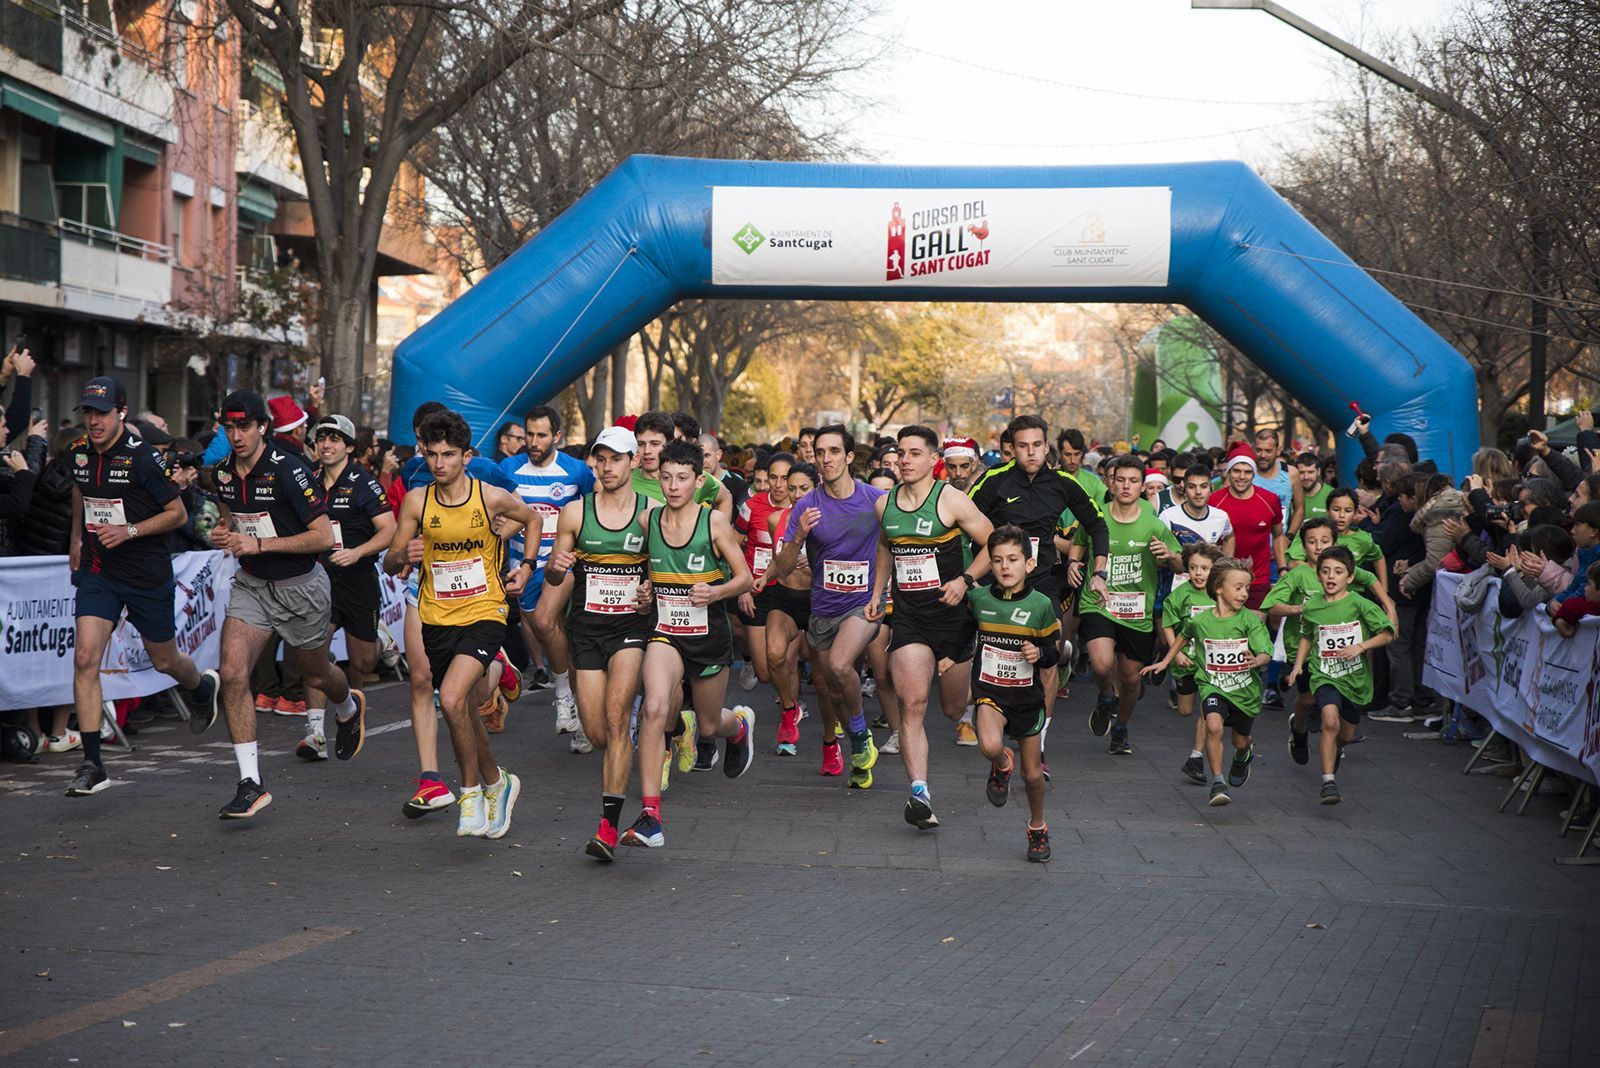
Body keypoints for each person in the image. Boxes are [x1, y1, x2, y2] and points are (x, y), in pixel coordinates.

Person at [62, 378, 221, 797]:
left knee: (164, 660)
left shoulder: (145, 459)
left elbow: (178, 515)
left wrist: (129, 530)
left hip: (146, 573)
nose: (94, 421)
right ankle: (93, 763)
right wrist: (77, 538)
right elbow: (82, 489)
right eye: (89, 413)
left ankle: (202, 687)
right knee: (84, 658)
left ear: (122, 413)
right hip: (99, 571)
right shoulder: (77, 452)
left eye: (103, 413)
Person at [209, 390, 364, 819]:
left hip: (302, 587)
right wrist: (224, 534)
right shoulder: (221, 473)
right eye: (229, 427)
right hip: (253, 585)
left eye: (244, 427)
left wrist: (258, 542)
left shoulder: (289, 471)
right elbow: (229, 520)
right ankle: (250, 782)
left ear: (263, 428)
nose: (236, 435)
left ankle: (348, 705)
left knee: (316, 672)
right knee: (233, 673)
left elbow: (324, 538)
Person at [386, 409, 536, 839]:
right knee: (466, 712)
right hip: (437, 617)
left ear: (466, 455)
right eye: (432, 454)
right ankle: (497, 782)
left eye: (449, 454)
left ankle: (469, 794)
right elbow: (391, 558)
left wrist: (524, 567)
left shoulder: (489, 496)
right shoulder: (418, 501)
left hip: (486, 610)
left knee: (450, 699)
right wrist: (403, 556)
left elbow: (532, 518)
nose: (439, 463)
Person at [621, 440, 754, 850]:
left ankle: (740, 727)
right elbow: (651, 569)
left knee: (710, 723)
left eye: (683, 479)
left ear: (700, 481)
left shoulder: (713, 523)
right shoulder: (648, 520)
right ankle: (650, 816)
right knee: (655, 709)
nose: (673, 486)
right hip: (666, 632)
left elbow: (744, 578)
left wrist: (716, 594)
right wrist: (646, 591)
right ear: (657, 478)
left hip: (709, 635)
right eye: (666, 477)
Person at [870, 425, 994, 830]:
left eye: (914, 453)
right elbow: (886, 546)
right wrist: (878, 592)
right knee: (913, 705)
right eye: (900, 453)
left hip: (953, 618)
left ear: (931, 459)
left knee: (953, 708)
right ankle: (919, 792)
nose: (905, 460)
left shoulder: (951, 500)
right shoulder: (884, 504)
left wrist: (965, 581)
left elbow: (992, 544)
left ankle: (980, 723)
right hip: (909, 617)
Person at [541, 426, 656, 861]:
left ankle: (608, 826)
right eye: (600, 460)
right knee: (596, 732)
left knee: (614, 716)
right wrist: (555, 566)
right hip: (586, 630)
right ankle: (638, 734)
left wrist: (649, 591)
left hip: (630, 628)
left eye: (615, 459)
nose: (607, 468)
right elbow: (556, 575)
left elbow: (664, 571)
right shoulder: (575, 512)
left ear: (632, 462)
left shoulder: (650, 513)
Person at [970, 415, 1110, 763]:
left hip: (1042, 581)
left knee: (1045, 660)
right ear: (1011, 449)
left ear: (1046, 447)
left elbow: (1097, 525)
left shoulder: (1062, 483)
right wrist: (973, 572)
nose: (1030, 453)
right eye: (1022, 446)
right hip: (997, 582)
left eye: (1036, 445)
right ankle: (999, 714)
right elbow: (963, 521)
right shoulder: (993, 481)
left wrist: (1100, 572)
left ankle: (1040, 742)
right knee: (1001, 653)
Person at [768, 424, 886, 789]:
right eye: (820, 453)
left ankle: (861, 735)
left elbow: (891, 547)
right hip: (823, 608)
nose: (826, 459)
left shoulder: (874, 500)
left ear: (849, 456)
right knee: (828, 689)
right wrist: (799, 534)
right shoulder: (807, 504)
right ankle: (855, 753)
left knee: (839, 665)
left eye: (834, 451)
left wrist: (879, 593)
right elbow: (783, 569)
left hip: (862, 606)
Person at [298, 414, 396, 761]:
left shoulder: (363, 482)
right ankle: (314, 732)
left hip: (357, 579)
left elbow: (389, 530)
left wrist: (357, 552)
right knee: (314, 654)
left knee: (363, 661)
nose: (326, 445)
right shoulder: (306, 480)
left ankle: (380, 640)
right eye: (321, 438)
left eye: (335, 439)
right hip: (318, 581)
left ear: (350, 447)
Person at [1264, 519, 1395, 767]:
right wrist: (1298, 608)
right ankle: (1299, 730)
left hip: (1338, 655)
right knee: (1309, 698)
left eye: (1325, 541)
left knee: (1331, 706)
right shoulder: (1299, 574)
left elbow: (1369, 579)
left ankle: (1333, 741)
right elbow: (1272, 606)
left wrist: (1389, 605)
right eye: (1312, 542)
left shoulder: (1340, 568)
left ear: (1335, 543)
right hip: (1304, 648)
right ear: (1303, 547)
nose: (1318, 546)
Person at [1143, 557, 1271, 807]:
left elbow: (1264, 651)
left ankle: (1244, 755)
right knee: (1213, 725)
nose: (1244, 593)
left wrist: (1257, 660)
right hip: (1213, 686)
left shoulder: (1249, 621)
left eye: (1246, 588)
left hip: (1245, 692)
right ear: (1219, 588)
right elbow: (1184, 634)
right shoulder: (1201, 621)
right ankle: (1218, 783)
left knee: (1239, 741)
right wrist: (1165, 661)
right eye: (1238, 587)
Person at [967, 525, 1061, 863]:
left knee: (1033, 775)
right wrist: (949, 657)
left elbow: (1056, 651)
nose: (1005, 567)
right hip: (991, 692)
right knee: (990, 745)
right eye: (997, 560)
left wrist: (1040, 655)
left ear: (1029, 564)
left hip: (1026, 698)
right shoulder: (978, 599)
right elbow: (964, 633)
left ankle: (1038, 827)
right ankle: (1002, 762)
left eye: (1013, 559)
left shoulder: (1041, 605)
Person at [1077, 455, 1181, 754]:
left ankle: (1121, 726)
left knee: (1132, 678)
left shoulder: (1154, 523)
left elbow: (1178, 564)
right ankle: (1105, 696)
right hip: (1098, 600)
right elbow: (1081, 541)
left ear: (1142, 487)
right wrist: (1074, 561)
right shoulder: (1097, 516)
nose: (1126, 486)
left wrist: (1170, 556)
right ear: (1110, 482)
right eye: (1120, 479)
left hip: (1137, 609)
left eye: (1133, 481)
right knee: (1100, 662)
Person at [504, 405, 596, 742]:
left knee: (545, 622)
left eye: (542, 434)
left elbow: (593, 512)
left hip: (561, 563)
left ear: (556, 436)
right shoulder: (508, 468)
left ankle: (564, 697)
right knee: (554, 634)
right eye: (529, 434)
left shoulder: (575, 472)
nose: (534, 441)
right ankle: (582, 721)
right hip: (522, 567)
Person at [1284, 546, 1395, 805]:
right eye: (1325, 571)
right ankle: (1328, 782)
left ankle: (1336, 748)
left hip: (1354, 678)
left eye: (1338, 572)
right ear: (1319, 577)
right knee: (1329, 720)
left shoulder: (1360, 604)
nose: (1331, 577)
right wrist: (1299, 664)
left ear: (1350, 577)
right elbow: (1307, 635)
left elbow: (1388, 633)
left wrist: (1362, 646)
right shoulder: (1312, 606)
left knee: (1345, 735)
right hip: (1324, 674)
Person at [754, 461, 823, 760]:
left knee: (825, 677)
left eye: (803, 488)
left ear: (816, 487)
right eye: (791, 488)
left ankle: (833, 738)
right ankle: (788, 709)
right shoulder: (776, 520)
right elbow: (779, 561)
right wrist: (765, 575)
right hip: (784, 596)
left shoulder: (830, 520)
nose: (795, 494)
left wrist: (819, 562)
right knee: (775, 655)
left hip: (820, 600)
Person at [1162, 543, 1223, 783]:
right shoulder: (1180, 595)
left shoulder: (1219, 592)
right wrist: (1175, 653)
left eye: (1205, 568)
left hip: (1210, 663)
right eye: (1194, 568)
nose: (1198, 573)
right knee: (1186, 710)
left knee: (1205, 709)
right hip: (1185, 660)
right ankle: (1176, 687)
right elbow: (1167, 624)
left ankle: (1196, 757)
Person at [733, 451, 793, 695]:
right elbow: (733, 544)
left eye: (785, 478)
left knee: (788, 660)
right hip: (757, 590)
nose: (778, 485)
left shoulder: (803, 506)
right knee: (765, 673)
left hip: (789, 590)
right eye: (773, 478)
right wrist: (743, 587)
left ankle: (792, 707)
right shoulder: (751, 506)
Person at [1207, 449, 1285, 609]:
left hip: (1258, 579)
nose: (1242, 477)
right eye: (1236, 471)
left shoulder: (1270, 500)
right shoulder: (1214, 500)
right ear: (1228, 472)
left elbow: (1278, 535)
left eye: (1247, 472)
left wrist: (1282, 568)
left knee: (1255, 629)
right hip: (1223, 578)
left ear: (1254, 474)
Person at [1159, 464, 1235, 582]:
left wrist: (1225, 565)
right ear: (1184, 489)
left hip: (1207, 588)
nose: (1198, 492)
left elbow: (1229, 536)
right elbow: (1158, 559)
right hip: (1174, 587)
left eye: (1203, 486)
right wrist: (1172, 559)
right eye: (1192, 486)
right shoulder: (1168, 516)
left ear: (1211, 488)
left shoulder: (1221, 517)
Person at [1289, 452, 1331, 533]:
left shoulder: (1331, 495)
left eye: (1310, 472)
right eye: (1301, 472)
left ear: (1318, 471)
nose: (1306, 477)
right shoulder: (1288, 495)